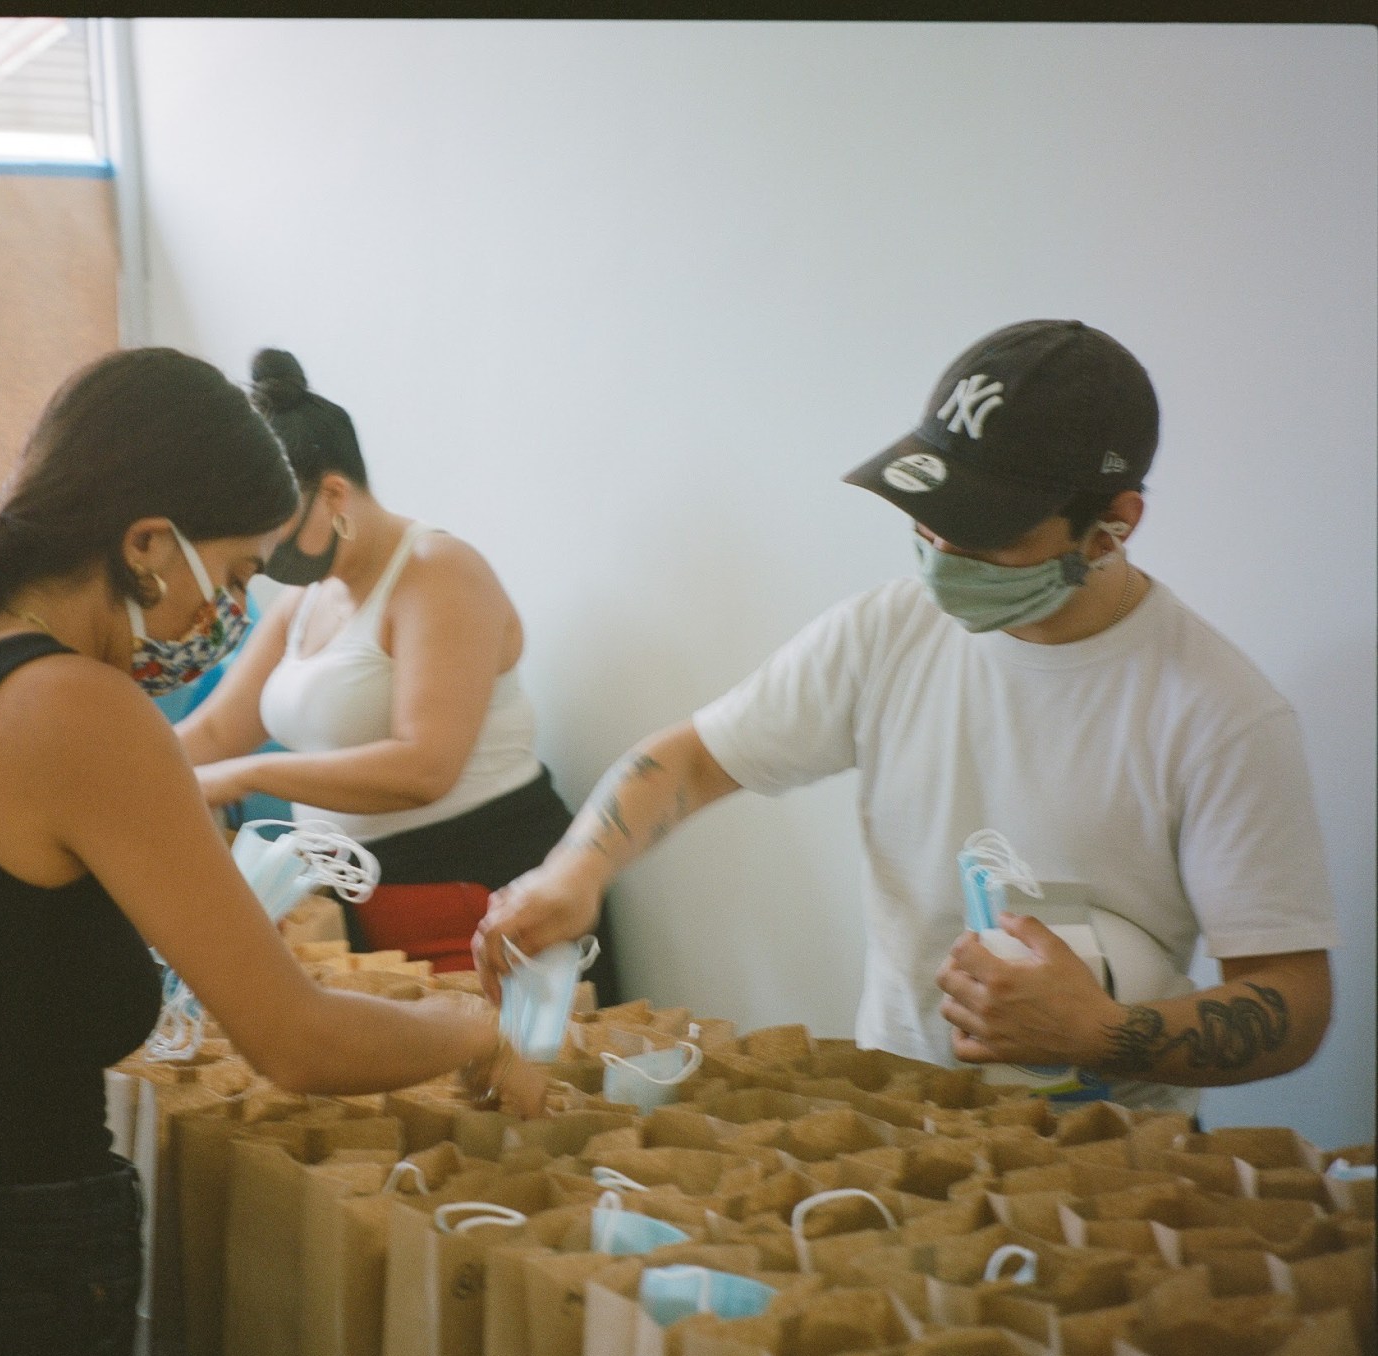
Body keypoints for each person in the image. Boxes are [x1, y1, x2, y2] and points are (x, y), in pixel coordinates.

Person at [0, 347, 545, 1356]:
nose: (232, 609)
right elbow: (297, 1038)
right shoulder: (77, 708)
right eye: (229, 572)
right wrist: (478, 1032)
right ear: (144, 543)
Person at [475, 320, 1338, 1120]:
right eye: (930, 516)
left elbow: (1292, 1000)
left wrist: (1099, 1032)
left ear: (1111, 528)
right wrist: (576, 871)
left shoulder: (1220, 713)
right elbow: (696, 758)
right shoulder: (888, 631)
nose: (942, 553)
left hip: (1111, 1166)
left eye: (984, 531)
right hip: (898, 1123)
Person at [176, 349, 621, 1002]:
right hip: (363, 904)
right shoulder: (310, 597)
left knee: (505, 1092)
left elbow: (424, 767)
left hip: (479, 900)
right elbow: (216, 729)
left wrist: (246, 776)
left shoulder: (439, 572)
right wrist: (128, 773)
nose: (264, 558)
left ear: (331, 495)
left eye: (273, 530)